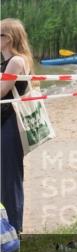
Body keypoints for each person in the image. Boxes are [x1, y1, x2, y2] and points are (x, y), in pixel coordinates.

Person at [1, 19, 33, 232]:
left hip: (11, 124)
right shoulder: (6, 61)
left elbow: (2, 90)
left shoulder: (16, 62)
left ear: (8, 38)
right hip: (4, 123)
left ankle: (15, 230)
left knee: (10, 178)